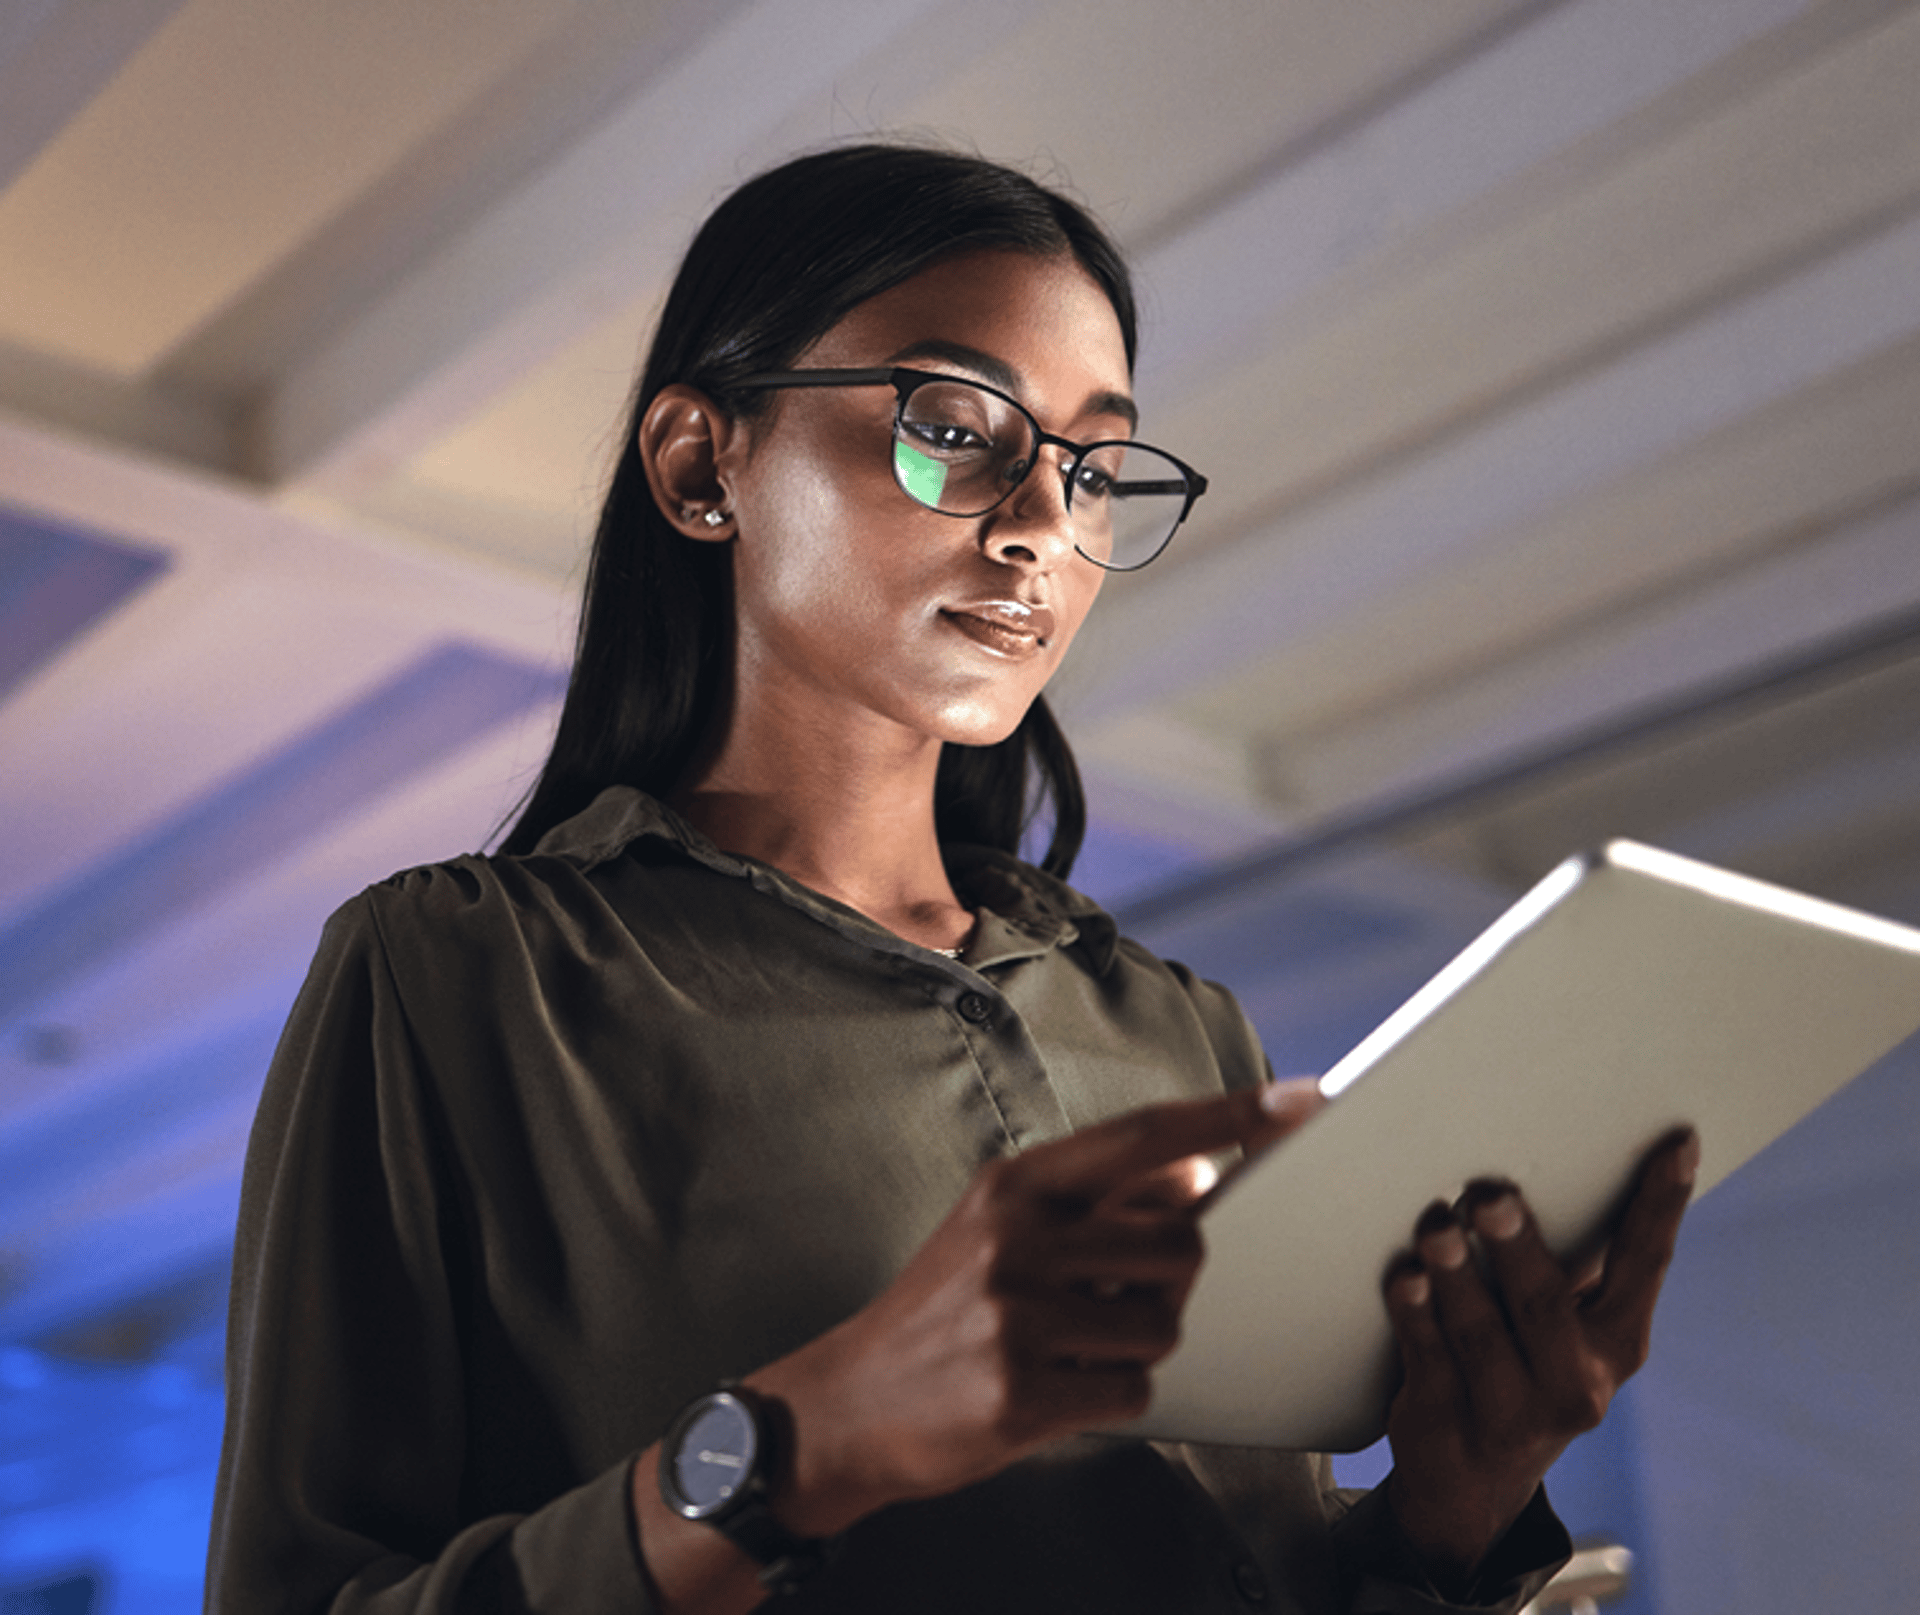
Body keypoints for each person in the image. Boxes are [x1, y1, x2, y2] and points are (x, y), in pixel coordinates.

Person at [206, 143, 1694, 1614]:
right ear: (700, 463)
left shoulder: (1182, 1031)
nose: (1045, 522)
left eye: (1095, 466)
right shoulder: (463, 976)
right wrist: (806, 1437)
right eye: (957, 422)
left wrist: (1449, 1513)